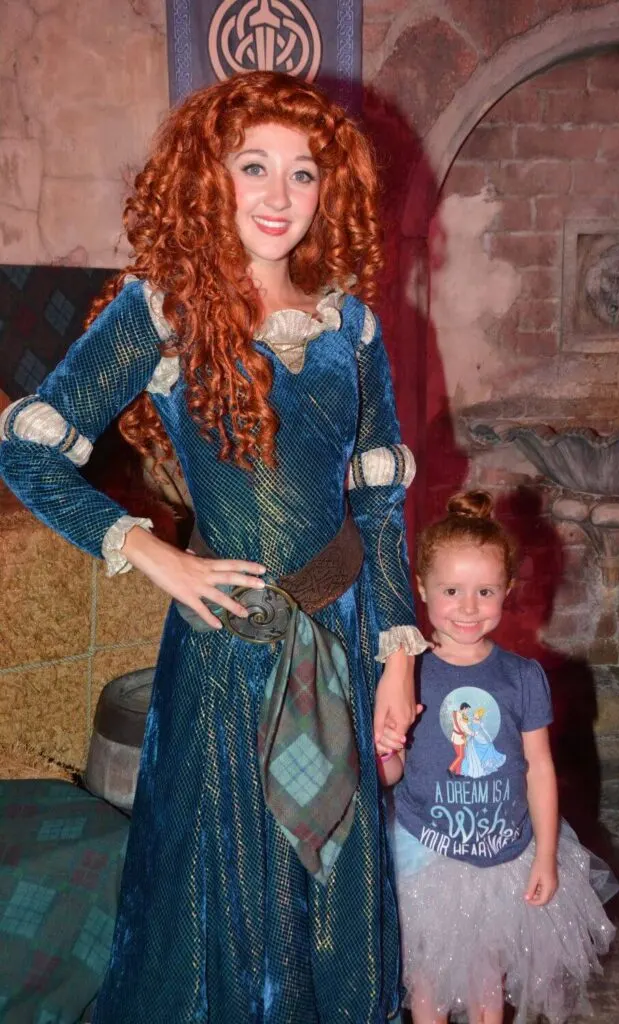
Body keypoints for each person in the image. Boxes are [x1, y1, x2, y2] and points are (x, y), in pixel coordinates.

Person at [0, 71, 428, 1022]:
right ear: (209, 176)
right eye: (254, 167)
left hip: (343, 637)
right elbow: (26, 450)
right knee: (234, 890)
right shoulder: (162, 311)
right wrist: (153, 552)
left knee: (334, 882)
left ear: (331, 190)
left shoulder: (349, 326)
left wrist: (398, 652)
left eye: (304, 173)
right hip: (229, 648)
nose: (280, 196)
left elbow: (380, 498)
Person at [377, 491, 616, 1024]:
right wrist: (386, 752)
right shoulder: (406, 673)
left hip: (502, 855)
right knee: (428, 980)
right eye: (452, 591)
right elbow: (392, 775)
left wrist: (547, 855)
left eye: (484, 591)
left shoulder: (522, 677)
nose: (468, 607)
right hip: (427, 855)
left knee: (489, 975)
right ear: (421, 589)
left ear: (507, 590)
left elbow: (539, 770)